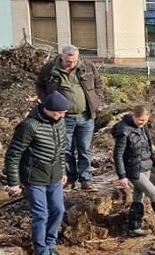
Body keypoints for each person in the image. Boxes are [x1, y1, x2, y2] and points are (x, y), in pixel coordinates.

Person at [3, 91, 70, 255]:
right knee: (41, 214)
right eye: (60, 112)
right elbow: (13, 154)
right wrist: (13, 181)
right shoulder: (29, 126)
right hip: (34, 178)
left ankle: (50, 244)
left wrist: (63, 170)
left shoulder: (60, 122)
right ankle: (41, 251)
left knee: (58, 210)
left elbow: (62, 150)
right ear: (50, 109)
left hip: (54, 176)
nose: (63, 115)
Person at [35, 44, 104, 190]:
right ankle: (70, 179)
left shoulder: (88, 66)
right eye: (68, 61)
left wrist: (97, 100)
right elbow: (39, 85)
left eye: (74, 61)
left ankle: (85, 179)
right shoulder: (49, 69)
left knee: (84, 149)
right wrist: (47, 101)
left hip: (85, 116)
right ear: (62, 57)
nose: (71, 64)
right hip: (63, 118)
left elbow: (99, 84)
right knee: (66, 149)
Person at [112, 105, 155, 236]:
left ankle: (134, 228)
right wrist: (122, 175)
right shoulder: (123, 131)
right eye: (140, 120)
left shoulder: (144, 127)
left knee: (138, 196)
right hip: (134, 169)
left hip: (146, 166)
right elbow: (118, 155)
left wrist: (153, 157)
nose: (143, 123)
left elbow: (146, 146)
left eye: (145, 120)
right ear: (133, 116)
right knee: (154, 194)